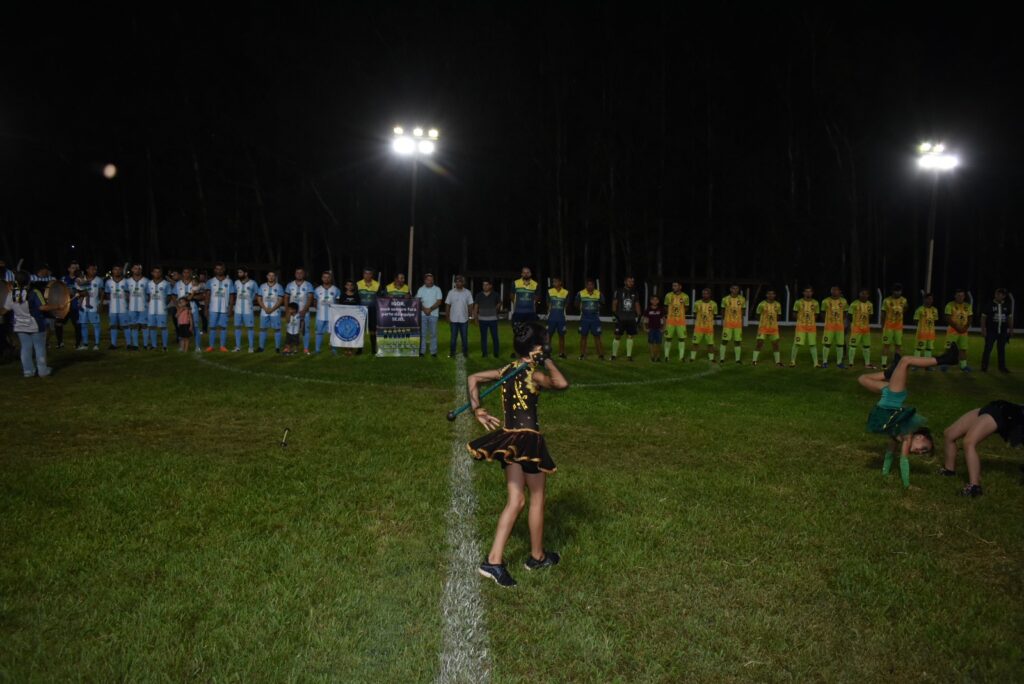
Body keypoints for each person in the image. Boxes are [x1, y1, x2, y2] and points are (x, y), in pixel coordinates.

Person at [466, 322, 569, 588]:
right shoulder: (532, 374)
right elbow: (561, 383)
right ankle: (531, 557)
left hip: (510, 440)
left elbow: (473, 378)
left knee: (516, 501)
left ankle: (502, 560)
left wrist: (477, 410)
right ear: (536, 348)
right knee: (535, 498)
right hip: (528, 442)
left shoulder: (507, 370)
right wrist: (548, 361)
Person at [857, 344, 960, 488]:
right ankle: (945, 359)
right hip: (893, 398)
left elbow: (889, 454)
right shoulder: (907, 434)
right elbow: (903, 461)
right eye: (924, 448)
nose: (920, 452)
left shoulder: (897, 435)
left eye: (923, 452)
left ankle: (889, 374)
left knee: (862, 378)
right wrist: (907, 485)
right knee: (905, 361)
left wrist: (885, 473)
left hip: (888, 396)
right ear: (920, 437)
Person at [941, 400, 1023, 497]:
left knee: (969, 442)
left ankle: (974, 487)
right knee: (949, 434)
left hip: (1003, 413)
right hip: (994, 407)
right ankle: (949, 471)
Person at [0, 271, 61, 377]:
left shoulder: (12, 294)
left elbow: (4, 310)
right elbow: (42, 307)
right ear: (29, 281)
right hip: (35, 324)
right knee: (39, 347)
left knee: (25, 347)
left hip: (19, 325)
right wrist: (57, 306)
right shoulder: (34, 292)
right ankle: (42, 371)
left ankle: (28, 371)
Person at [980, 288, 1013, 373]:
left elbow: (1009, 318)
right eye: (998, 294)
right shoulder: (989, 305)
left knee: (1001, 350)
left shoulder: (1006, 306)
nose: (1000, 296)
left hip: (1002, 332)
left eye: (1002, 294)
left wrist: (1011, 329)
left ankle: (1002, 367)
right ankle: (984, 366)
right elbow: (983, 318)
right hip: (991, 331)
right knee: (988, 349)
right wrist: (983, 329)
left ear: (1004, 296)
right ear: (995, 294)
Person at [205, 262, 235, 353]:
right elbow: (207, 295)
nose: (219, 270)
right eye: (217, 269)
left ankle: (222, 346)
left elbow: (231, 296)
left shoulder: (229, 281)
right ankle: (211, 346)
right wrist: (206, 308)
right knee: (212, 327)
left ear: (224, 270)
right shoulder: (210, 281)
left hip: (224, 309)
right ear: (214, 270)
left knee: (223, 327)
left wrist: (230, 308)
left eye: (221, 269)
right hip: (213, 309)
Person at [611, 275, 641, 361]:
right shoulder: (618, 291)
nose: (631, 283)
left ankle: (629, 356)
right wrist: (614, 314)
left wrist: (639, 315)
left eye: (632, 281)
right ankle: (613, 355)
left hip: (631, 318)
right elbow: (614, 303)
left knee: (630, 336)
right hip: (621, 317)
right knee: (617, 336)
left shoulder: (635, 292)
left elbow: (637, 304)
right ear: (625, 282)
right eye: (629, 281)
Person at [943, 288, 973, 372]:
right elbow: (948, 318)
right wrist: (957, 327)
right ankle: (945, 364)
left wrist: (965, 327)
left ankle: (963, 366)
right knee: (948, 348)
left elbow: (970, 317)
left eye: (962, 295)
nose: (960, 297)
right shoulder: (950, 305)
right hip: (952, 331)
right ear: (955, 296)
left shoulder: (968, 306)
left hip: (963, 332)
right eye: (959, 295)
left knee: (963, 349)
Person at [286, 267, 315, 354]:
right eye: (297, 273)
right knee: (290, 329)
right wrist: (288, 310)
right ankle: (289, 348)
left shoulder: (308, 285)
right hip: (292, 313)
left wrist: (304, 310)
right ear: (295, 274)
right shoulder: (290, 285)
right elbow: (286, 297)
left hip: (304, 312)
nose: (299, 274)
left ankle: (305, 348)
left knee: (305, 330)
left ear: (304, 274)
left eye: (301, 273)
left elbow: (310, 298)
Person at [751, 289, 783, 366]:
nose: (771, 295)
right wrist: (764, 321)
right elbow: (757, 315)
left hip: (773, 328)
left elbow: (779, 316)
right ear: (766, 295)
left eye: (772, 294)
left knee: (775, 344)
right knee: (759, 343)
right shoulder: (761, 304)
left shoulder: (778, 305)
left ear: (775, 295)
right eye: (769, 294)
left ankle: (778, 362)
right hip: (763, 328)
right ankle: (754, 361)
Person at [145, 266, 174, 351]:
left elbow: (169, 296)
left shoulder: (166, 284)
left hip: (162, 309)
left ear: (161, 273)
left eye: (159, 272)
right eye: (155, 272)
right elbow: (148, 295)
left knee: (163, 327)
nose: (157, 273)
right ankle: (154, 345)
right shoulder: (149, 283)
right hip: (151, 310)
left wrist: (164, 304)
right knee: (152, 327)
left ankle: (165, 346)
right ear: (152, 273)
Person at [790, 286, 820, 367]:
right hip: (801, 327)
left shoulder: (816, 303)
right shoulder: (798, 302)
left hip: (811, 327)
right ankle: (792, 361)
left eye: (810, 291)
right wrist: (800, 320)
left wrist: (811, 321)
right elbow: (794, 313)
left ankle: (816, 363)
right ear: (803, 293)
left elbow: (816, 314)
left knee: (813, 344)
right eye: (806, 291)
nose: (808, 293)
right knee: (796, 343)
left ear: (812, 293)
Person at [575, 278, 604, 360]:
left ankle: (600, 354)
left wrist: (599, 306)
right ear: (586, 285)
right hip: (585, 318)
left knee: (597, 336)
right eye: (588, 284)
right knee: (583, 336)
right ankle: (582, 354)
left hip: (595, 318)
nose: (590, 286)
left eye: (592, 284)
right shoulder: (580, 293)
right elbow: (576, 304)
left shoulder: (598, 293)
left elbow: (603, 303)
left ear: (594, 285)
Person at [76, 263, 104, 350]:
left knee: (96, 325)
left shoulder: (99, 280)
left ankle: (97, 344)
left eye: (95, 269)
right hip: (82, 307)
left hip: (94, 306)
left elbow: (102, 293)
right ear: (87, 270)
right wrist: (81, 294)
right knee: (83, 325)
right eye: (92, 269)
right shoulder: (80, 279)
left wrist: (101, 303)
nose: (94, 271)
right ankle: (85, 344)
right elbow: (77, 292)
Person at [257, 271, 286, 353]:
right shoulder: (262, 286)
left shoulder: (279, 287)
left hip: (275, 312)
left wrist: (272, 309)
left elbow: (280, 300)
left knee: (277, 330)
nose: (271, 277)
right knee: (263, 329)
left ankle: (277, 348)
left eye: (273, 276)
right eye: (269, 275)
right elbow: (259, 298)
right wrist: (265, 308)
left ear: (275, 277)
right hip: (264, 312)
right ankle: (261, 347)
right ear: (267, 276)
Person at [880, 284, 907, 368]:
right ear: (893, 291)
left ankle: (897, 362)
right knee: (886, 345)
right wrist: (882, 325)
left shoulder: (904, 300)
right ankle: (883, 364)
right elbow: (883, 313)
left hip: (898, 327)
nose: (898, 292)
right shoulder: (886, 300)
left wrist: (900, 312)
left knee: (898, 345)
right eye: (896, 290)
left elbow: (906, 308)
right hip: (888, 327)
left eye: (899, 291)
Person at [473, 278, 502, 358]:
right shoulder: (479, 295)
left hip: (493, 320)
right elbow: (476, 307)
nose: (484, 286)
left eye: (486, 285)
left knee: (495, 337)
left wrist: (496, 309)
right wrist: (475, 318)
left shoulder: (495, 294)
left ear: (490, 286)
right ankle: (484, 353)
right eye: (483, 285)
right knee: (483, 338)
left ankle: (496, 353)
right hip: (482, 320)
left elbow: (499, 303)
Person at [233, 266, 260, 353]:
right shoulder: (236, 282)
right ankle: (237, 347)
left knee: (250, 328)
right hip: (237, 309)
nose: (239, 274)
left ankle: (251, 347)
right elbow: (234, 293)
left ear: (246, 273)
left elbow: (257, 293)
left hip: (248, 309)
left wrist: (251, 300)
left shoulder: (253, 283)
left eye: (240, 272)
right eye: (238, 272)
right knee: (237, 327)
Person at [416, 273, 443, 357]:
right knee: (423, 334)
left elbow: (439, 301)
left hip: (433, 315)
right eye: (428, 280)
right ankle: (422, 351)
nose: (430, 281)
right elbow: (418, 301)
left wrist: (430, 309)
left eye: (432, 280)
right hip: (423, 315)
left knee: (433, 334)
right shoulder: (420, 289)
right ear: (425, 280)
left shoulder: (437, 289)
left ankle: (433, 352)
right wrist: (424, 309)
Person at [446, 275, 474, 358]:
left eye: (460, 281)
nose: (458, 283)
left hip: (464, 320)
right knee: (453, 339)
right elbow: (447, 305)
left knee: (464, 338)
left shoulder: (467, 292)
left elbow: (470, 305)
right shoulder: (451, 292)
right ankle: (452, 353)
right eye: (457, 281)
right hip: (453, 320)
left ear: (463, 283)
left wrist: (470, 317)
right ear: (455, 283)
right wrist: (447, 316)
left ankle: (465, 352)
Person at [820, 286, 848, 369]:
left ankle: (839, 363)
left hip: (839, 327)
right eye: (833, 290)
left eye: (836, 290)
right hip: (829, 327)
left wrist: (842, 322)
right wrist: (827, 322)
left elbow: (845, 313)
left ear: (840, 291)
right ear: (830, 291)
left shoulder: (843, 301)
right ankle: (824, 362)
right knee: (827, 344)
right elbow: (822, 313)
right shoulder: (825, 301)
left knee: (840, 344)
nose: (834, 291)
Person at [55, 261, 81, 350]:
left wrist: (78, 293)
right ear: (69, 269)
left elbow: (86, 291)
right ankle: (60, 342)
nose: (75, 270)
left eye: (76, 268)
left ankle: (78, 344)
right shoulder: (63, 279)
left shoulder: (80, 279)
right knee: (58, 323)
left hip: (75, 307)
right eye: (73, 268)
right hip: (64, 306)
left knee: (77, 325)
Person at [313, 270, 340, 354]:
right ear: (322, 278)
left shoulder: (336, 290)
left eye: (328, 277)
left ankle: (334, 350)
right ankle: (317, 349)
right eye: (324, 277)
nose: (326, 279)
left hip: (332, 316)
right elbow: (314, 302)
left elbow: (338, 302)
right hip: (320, 316)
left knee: (333, 333)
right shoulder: (317, 290)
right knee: (319, 332)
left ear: (330, 278)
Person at [847, 289, 875, 369]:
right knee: (853, 345)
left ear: (868, 295)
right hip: (856, 328)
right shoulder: (854, 304)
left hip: (866, 328)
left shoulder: (870, 304)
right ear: (859, 294)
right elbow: (849, 315)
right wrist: (855, 324)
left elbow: (870, 315)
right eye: (862, 293)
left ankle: (867, 363)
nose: (864, 295)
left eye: (866, 294)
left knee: (866, 346)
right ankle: (851, 363)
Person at [104, 265, 130, 349]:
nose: (117, 271)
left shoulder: (126, 282)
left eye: (119, 270)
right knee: (113, 326)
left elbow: (128, 295)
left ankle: (129, 344)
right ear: (112, 271)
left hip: (124, 308)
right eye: (115, 269)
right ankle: (113, 344)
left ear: (122, 271)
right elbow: (107, 294)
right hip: (113, 309)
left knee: (126, 326)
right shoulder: (108, 282)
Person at [356, 268, 381, 355]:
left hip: (373, 310)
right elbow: (356, 297)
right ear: (363, 275)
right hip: (360, 311)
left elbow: (380, 298)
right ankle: (359, 349)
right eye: (365, 274)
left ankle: (373, 349)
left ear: (372, 275)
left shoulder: (377, 284)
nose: (367, 275)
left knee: (373, 330)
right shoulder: (358, 284)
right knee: (360, 330)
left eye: (369, 274)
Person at [125, 263, 149, 351]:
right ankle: (135, 345)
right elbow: (127, 294)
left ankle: (145, 345)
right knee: (133, 326)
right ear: (132, 270)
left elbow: (149, 294)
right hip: (132, 308)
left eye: (139, 268)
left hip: (143, 307)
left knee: (144, 326)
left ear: (141, 270)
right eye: (135, 268)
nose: (137, 270)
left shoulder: (146, 281)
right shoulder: (128, 281)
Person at [690, 288, 718, 362]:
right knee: (695, 343)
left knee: (710, 344)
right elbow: (695, 314)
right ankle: (692, 358)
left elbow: (714, 315)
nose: (704, 295)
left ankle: (712, 358)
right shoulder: (697, 303)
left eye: (706, 293)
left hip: (709, 327)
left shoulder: (714, 304)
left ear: (709, 294)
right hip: (699, 327)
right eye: (703, 293)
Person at [663, 281, 689, 362]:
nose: (673, 287)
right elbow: (665, 306)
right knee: (668, 338)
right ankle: (666, 356)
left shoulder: (685, 296)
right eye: (673, 286)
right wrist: (670, 314)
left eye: (675, 286)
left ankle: (681, 357)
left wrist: (680, 313)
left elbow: (687, 307)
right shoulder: (668, 295)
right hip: (670, 321)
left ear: (680, 287)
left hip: (680, 321)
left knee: (681, 339)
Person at [719, 284, 745, 364]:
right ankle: (722, 359)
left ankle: (737, 360)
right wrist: (723, 321)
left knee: (737, 341)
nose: (735, 290)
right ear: (730, 289)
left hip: (737, 324)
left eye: (737, 288)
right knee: (724, 341)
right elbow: (722, 311)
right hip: (728, 324)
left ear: (738, 289)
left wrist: (741, 321)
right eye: (733, 288)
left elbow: (743, 311)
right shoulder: (725, 299)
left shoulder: (742, 299)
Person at [546, 277, 570, 359]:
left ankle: (561, 353)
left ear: (560, 282)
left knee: (562, 336)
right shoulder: (550, 291)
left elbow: (566, 304)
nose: (554, 283)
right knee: (549, 335)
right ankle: (547, 353)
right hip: (551, 317)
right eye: (553, 282)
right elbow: (548, 303)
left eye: (556, 281)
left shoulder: (565, 292)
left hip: (561, 318)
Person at [912, 292, 939, 361]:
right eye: (928, 299)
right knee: (919, 348)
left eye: (931, 299)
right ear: (924, 300)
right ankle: (916, 364)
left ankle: (927, 364)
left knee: (929, 349)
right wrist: (922, 327)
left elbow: (935, 321)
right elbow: (915, 320)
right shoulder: (919, 309)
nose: (930, 301)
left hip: (931, 334)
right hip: (922, 333)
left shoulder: (935, 310)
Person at [643, 295, 665, 362]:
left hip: (658, 329)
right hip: (651, 328)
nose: (655, 301)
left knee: (658, 343)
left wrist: (663, 328)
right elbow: (645, 319)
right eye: (653, 300)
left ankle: (658, 357)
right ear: (651, 301)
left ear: (658, 301)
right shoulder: (648, 309)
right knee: (651, 343)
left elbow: (664, 319)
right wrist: (645, 328)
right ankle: (652, 357)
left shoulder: (661, 309)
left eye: (656, 300)